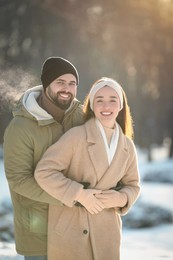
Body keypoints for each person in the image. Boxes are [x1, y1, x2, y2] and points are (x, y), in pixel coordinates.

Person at [34, 77, 141, 260]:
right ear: (91, 105)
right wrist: (79, 194)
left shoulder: (127, 146)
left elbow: (133, 185)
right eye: (99, 100)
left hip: (107, 233)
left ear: (121, 105)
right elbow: (44, 172)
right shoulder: (76, 136)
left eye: (112, 100)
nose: (106, 106)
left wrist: (121, 197)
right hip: (71, 230)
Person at [3, 56, 84, 260]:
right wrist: (71, 196)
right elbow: (19, 180)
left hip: (78, 227)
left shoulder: (81, 116)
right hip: (40, 232)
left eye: (72, 83)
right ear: (47, 84)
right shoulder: (20, 128)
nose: (67, 88)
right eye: (60, 82)